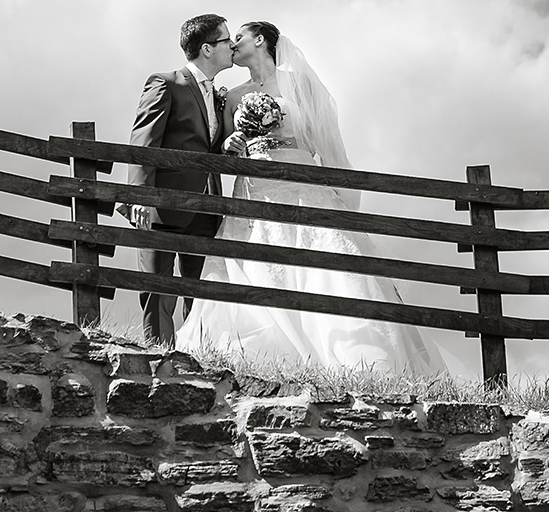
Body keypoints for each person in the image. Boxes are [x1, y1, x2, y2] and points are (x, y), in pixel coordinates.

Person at [174, 21, 444, 376]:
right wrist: (231, 144)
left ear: (260, 39)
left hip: (301, 184)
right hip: (253, 191)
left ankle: (353, 362)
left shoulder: (299, 84)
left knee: (324, 267)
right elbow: (226, 150)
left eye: (239, 36)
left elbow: (323, 141)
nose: (233, 43)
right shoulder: (233, 96)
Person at [122, 13, 235, 345]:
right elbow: (143, 141)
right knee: (159, 290)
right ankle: (158, 358)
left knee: (200, 294)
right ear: (207, 48)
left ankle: (196, 356)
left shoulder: (218, 95)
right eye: (226, 40)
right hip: (164, 205)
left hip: (206, 206)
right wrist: (140, 197)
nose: (232, 46)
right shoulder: (166, 83)